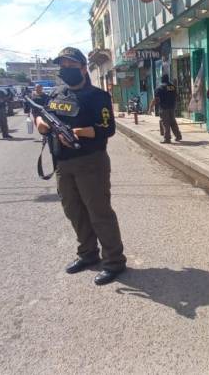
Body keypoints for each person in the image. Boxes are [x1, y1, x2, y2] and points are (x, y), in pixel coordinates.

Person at [35, 47, 127, 286]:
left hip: (90, 162)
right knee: (73, 210)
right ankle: (87, 254)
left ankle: (114, 261)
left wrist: (80, 132)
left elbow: (108, 129)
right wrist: (41, 123)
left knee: (99, 213)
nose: (66, 70)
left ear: (84, 68)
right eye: (62, 66)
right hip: (62, 163)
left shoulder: (97, 97)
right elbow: (40, 114)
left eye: (71, 66)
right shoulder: (56, 93)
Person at [148, 74, 182, 144]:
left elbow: (156, 99)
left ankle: (167, 139)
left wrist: (150, 107)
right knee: (173, 122)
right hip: (172, 107)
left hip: (164, 108)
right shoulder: (172, 87)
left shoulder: (160, 87)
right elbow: (177, 96)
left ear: (162, 79)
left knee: (165, 123)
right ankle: (178, 136)